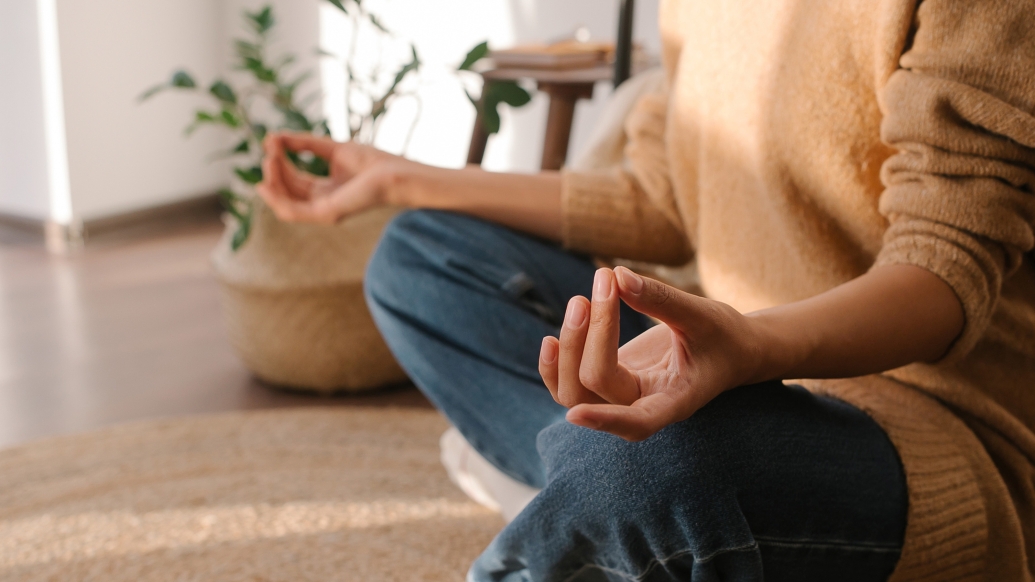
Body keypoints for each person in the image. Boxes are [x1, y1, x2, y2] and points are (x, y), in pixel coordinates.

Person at [257, 0, 1035, 579]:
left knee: (649, 468)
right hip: (732, 364)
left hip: (934, 426)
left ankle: (600, 498)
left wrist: (753, 344)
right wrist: (401, 179)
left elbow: (943, 271)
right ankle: (612, 504)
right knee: (421, 258)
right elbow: (661, 199)